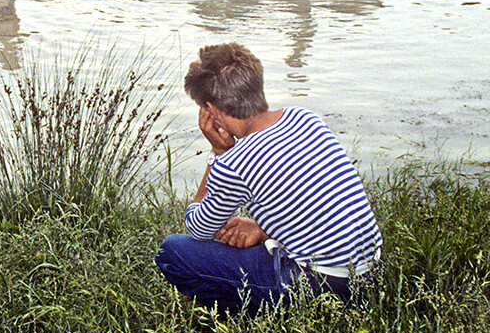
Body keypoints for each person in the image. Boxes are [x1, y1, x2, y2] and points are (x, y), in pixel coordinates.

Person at [155, 43, 382, 315]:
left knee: (172, 253)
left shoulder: (234, 161)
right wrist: (263, 229)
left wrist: (218, 152)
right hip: (370, 276)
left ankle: (248, 316)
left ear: (212, 110)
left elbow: (198, 228)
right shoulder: (305, 119)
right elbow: (314, 202)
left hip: (321, 285)